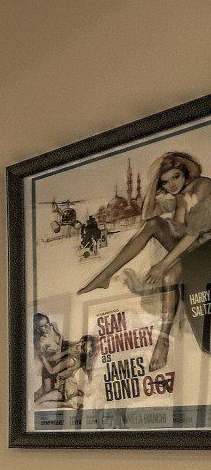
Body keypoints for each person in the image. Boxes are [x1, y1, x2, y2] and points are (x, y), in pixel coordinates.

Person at [78, 150, 211, 369]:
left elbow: (194, 233)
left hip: (205, 249)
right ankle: (104, 275)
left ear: (185, 171)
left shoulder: (202, 186)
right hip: (188, 248)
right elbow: (146, 216)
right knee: (152, 225)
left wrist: (163, 264)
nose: (171, 184)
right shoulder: (177, 196)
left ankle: (162, 341)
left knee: (169, 275)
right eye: (165, 182)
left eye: (175, 177)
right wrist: (152, 184)